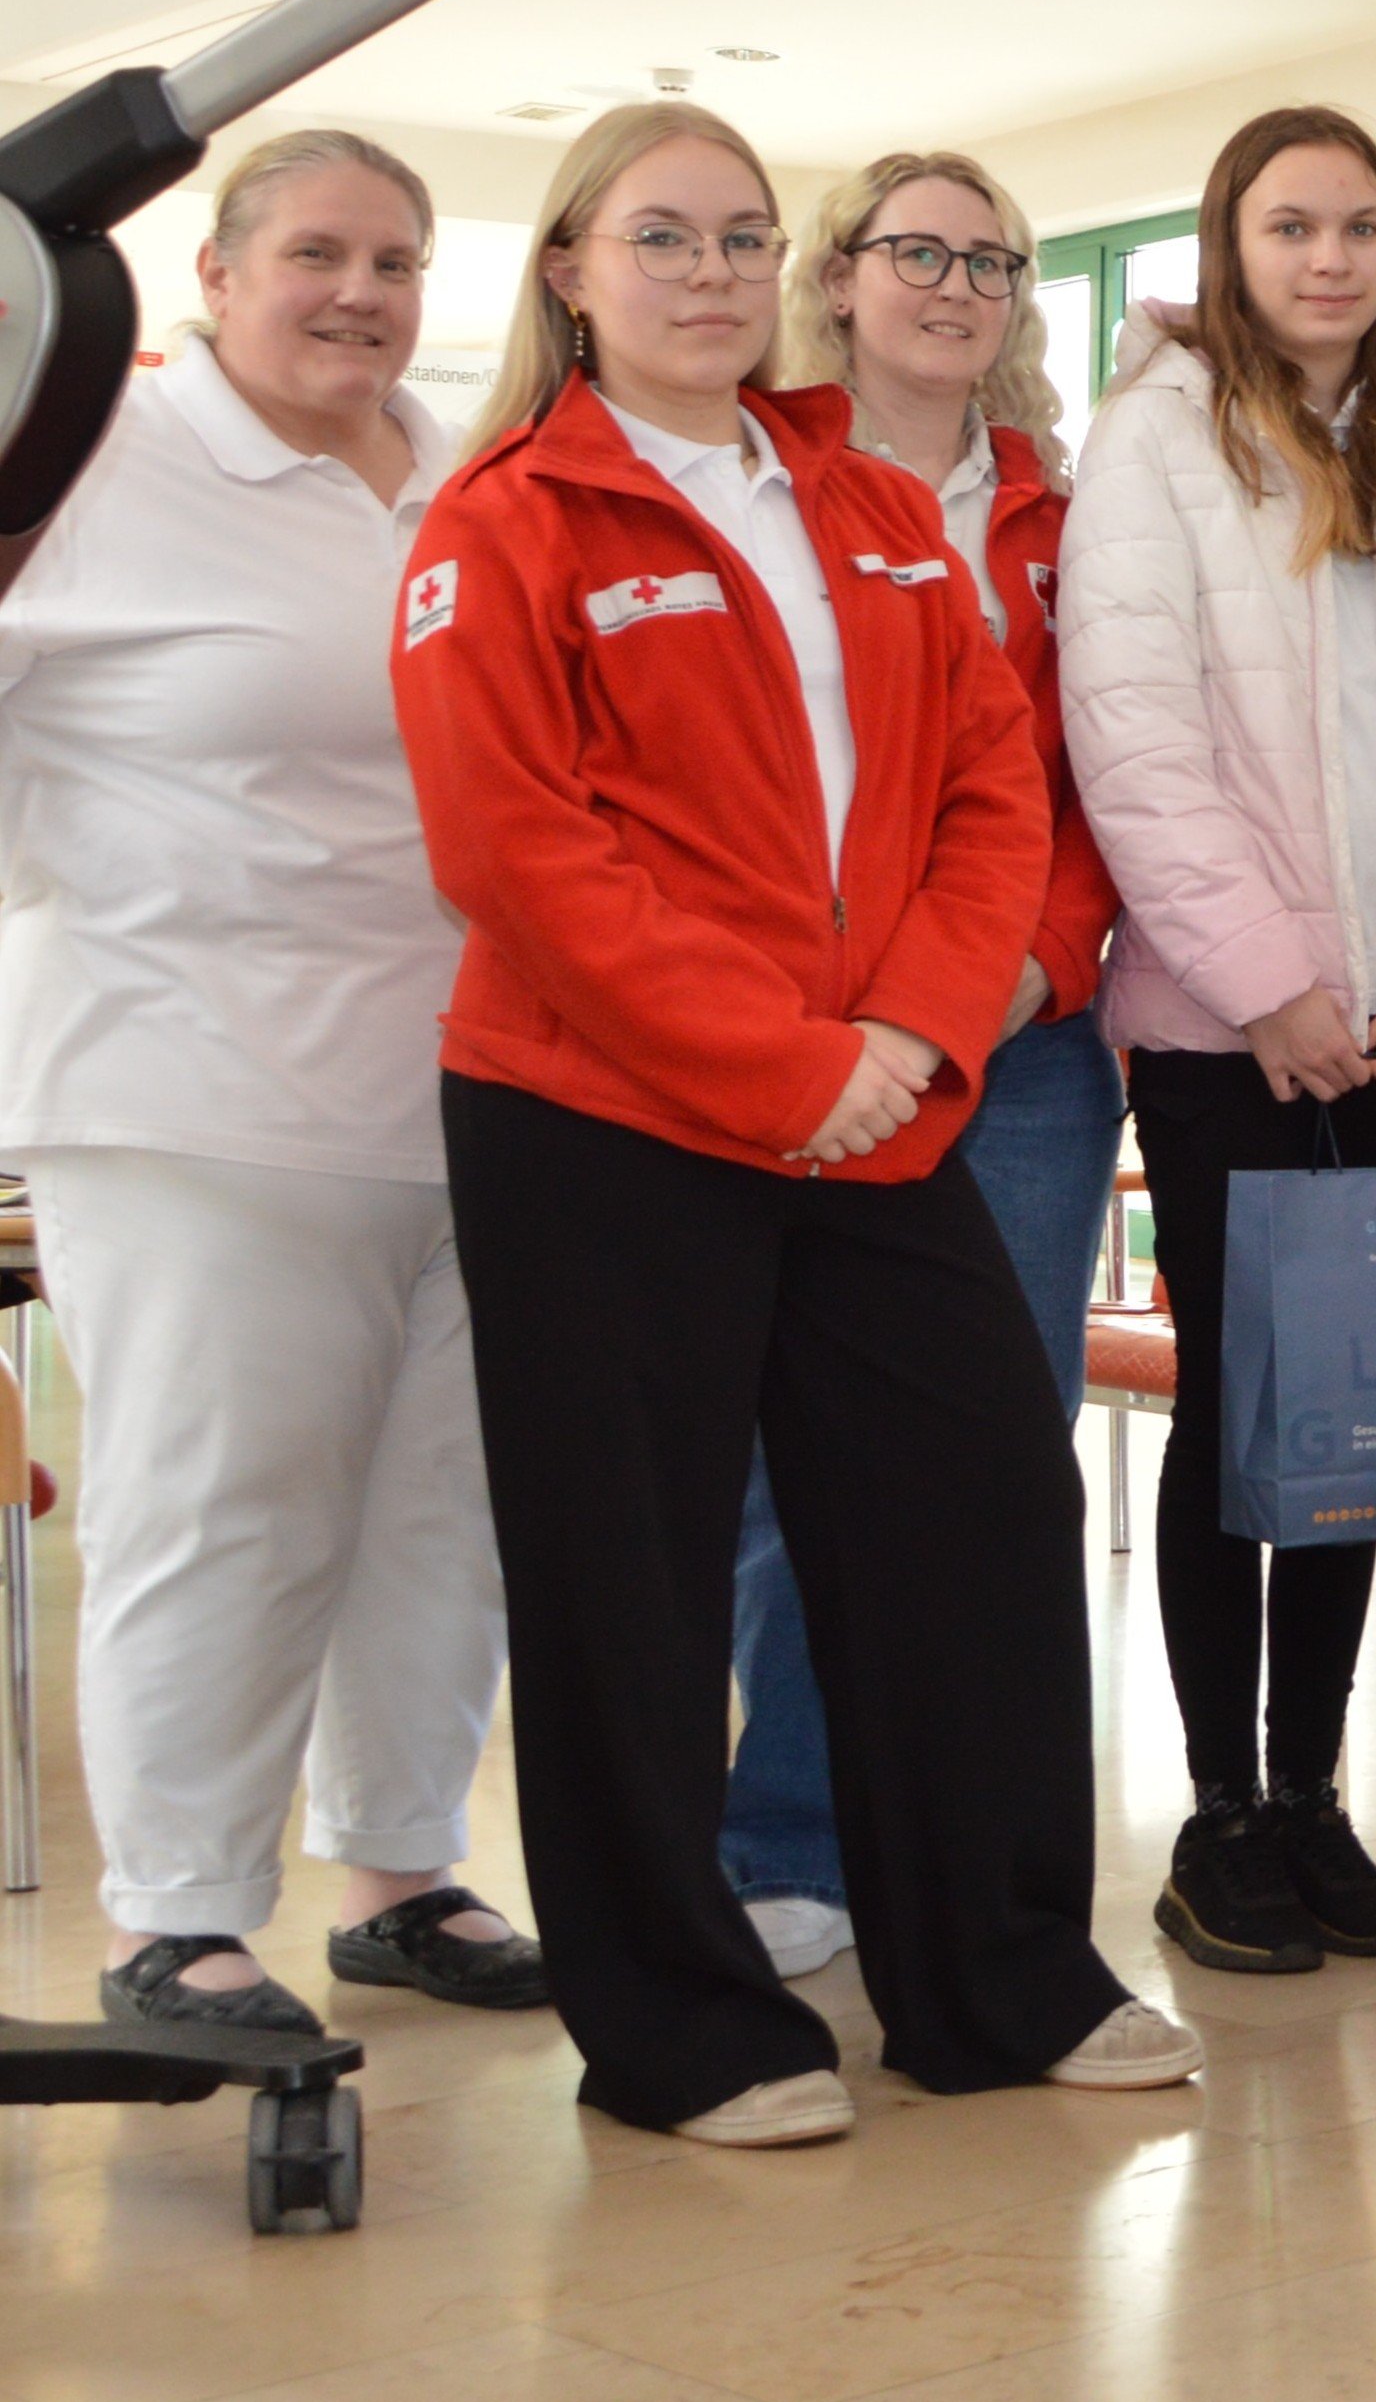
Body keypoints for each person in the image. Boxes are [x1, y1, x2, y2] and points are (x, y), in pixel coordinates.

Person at [395, 103, 1191, 2142]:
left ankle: (998, 1972)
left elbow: (995, 787)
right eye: (661, 237)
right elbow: (521, 855)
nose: (712, 272)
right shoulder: (505, 519)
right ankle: (679, 2019)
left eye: (743, 236)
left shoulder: (856, 497)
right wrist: (783, 1061)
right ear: (568, 266)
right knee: (634, 1579)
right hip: (602, 1118)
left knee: (975, 1525)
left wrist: (913, 1040)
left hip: (881, 1105)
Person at [0, 134, 540, 2033]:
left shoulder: (464, 464)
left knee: (440, 1508)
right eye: (315, 253)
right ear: (215, 272)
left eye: (395, 261)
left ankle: (399, 1868)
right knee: (222, 1501)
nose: (360, 295)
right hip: (193, 1090)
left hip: (476, 1086)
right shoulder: (89, 462)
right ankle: (178, 1911)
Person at [1060, 104, 1376, 1978]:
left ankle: (1315, 1798)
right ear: (1232, 243)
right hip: (1226, 1037)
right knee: (1236, 1420)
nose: (1329, 259)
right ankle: (1216, 1811)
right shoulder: (1156, 447)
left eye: (1360, 226)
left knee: (1354, 1428)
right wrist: (1265, 979)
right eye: (1291, 227)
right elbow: (1134, 737)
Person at [705, 151, 1132, 1978]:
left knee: (981, 1462)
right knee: (793, 1468)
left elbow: (1105, 769)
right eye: (917, 253)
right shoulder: (750, 469)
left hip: (1020, 1053)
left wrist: (1019, 970)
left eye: (990, 260)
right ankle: (790, 1835)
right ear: (841, 276)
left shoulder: (1069, 512)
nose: (954, 285)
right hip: (801, 1046)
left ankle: (947, 1839)